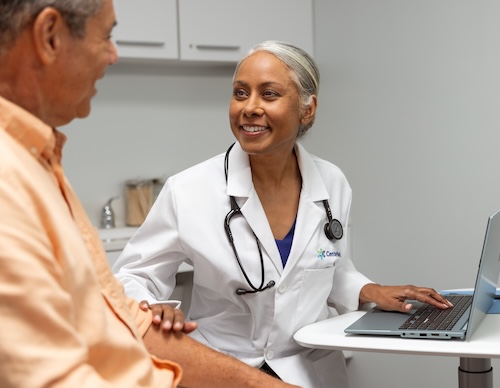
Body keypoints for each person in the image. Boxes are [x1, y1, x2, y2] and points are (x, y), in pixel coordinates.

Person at [113, 40, 454, 387]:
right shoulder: (188, 190)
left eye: (269, 94)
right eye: (241, 93)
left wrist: (370, 290)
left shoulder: (331, 183)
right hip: (224, 369)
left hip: (310, 370)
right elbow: (133, 275)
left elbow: (328, 267)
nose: (250, 107)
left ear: (307, 109)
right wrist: (149, 306)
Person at [0, 2, 302, 387]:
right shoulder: (9, 181)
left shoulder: (39, 162)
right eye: (106, 35)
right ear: (50, 36)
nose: (114, 55)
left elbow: (120, 317)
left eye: (270, 94)